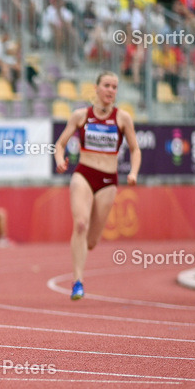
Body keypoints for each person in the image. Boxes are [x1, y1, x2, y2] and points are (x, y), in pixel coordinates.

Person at [53, 72, 140, 301]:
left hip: (108, 180)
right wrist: (59, 161)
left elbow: (135, 149)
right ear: (97, 88)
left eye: (114, 87)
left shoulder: (123, 118)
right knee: (80, 224)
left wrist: (133, 172)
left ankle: (83, 259)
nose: (111, 90)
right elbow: (60, 144)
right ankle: (77, 282)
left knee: (91, 242)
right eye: (107, 85)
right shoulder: (81, 115)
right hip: (84, 174)